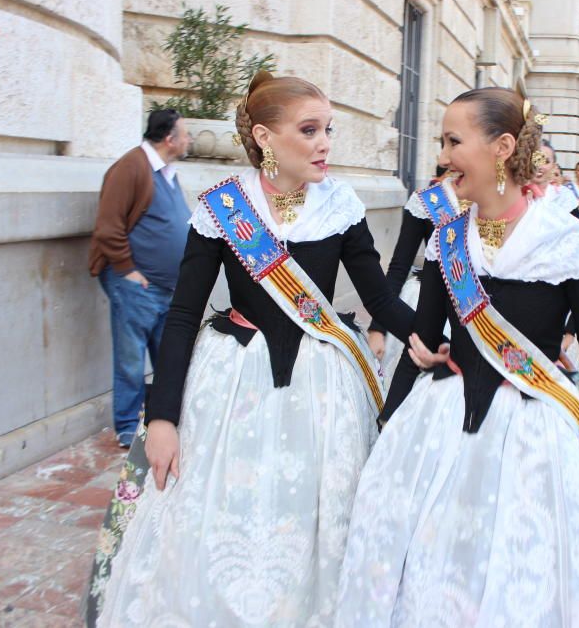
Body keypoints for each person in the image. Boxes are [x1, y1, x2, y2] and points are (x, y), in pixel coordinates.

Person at [85, 72, 415, 626]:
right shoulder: (223, 209)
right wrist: (163, 417)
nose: (324, 143)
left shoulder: (339, 205)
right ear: (265, 137)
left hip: (323, 388)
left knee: (316, 516)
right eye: (309, 130)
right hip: (233, 383)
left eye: (327, 129)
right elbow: (184, 314)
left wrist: (438, 339)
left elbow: (382, 297)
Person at [336, 88, 579, 625]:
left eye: (454, 141)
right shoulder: (448, 239)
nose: (443, 158)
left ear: (502, 147)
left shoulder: (568, 242)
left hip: (534, 437)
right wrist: (394, 408)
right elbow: (422, 342)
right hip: (441, 427)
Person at [88, 109, 193, 448]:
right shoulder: (131, 167)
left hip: (166, 288)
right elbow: (108, 226)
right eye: (186, 133)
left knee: (167, 359)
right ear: (169, 138)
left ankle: (162, 420)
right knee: (131, 361)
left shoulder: (167, 173)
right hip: (136, 285)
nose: (189, 139)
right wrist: (128, 271)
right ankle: (126, 428)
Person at [366, 173, 464, 384]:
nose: (445, 155)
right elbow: (399, 266)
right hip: (427, 306)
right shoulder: (428, 201)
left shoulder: (503, 207)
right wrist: (378, 328)